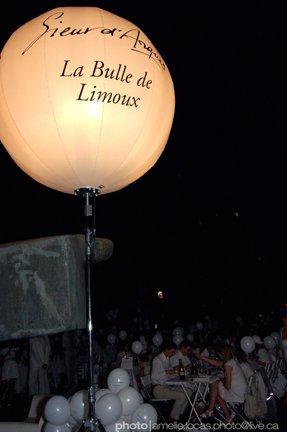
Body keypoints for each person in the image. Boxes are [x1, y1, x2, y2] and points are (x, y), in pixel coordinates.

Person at [196, 345, 247, 422]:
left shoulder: (228, 364)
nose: (219, 355)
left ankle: (210, 410)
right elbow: (217, 363)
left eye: (220, 353)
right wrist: (202, 357)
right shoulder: (233, 360)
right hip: (243, 392)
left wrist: (222, 382)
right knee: (216, 392)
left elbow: (228, 386)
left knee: (214, 383)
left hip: (238, 395)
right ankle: (227, 417)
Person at [151, 341, 191, 422]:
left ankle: (180, 414)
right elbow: (154, 377)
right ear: (166, 350)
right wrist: (167, 372)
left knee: (189, 392)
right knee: (182, 396)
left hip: (166, 386)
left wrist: (175, 371)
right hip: (158, 389)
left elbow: (169, 376)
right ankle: (173, 419)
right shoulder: (157, 360)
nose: (173, 354)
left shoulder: (167, 359)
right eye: (172, 352)